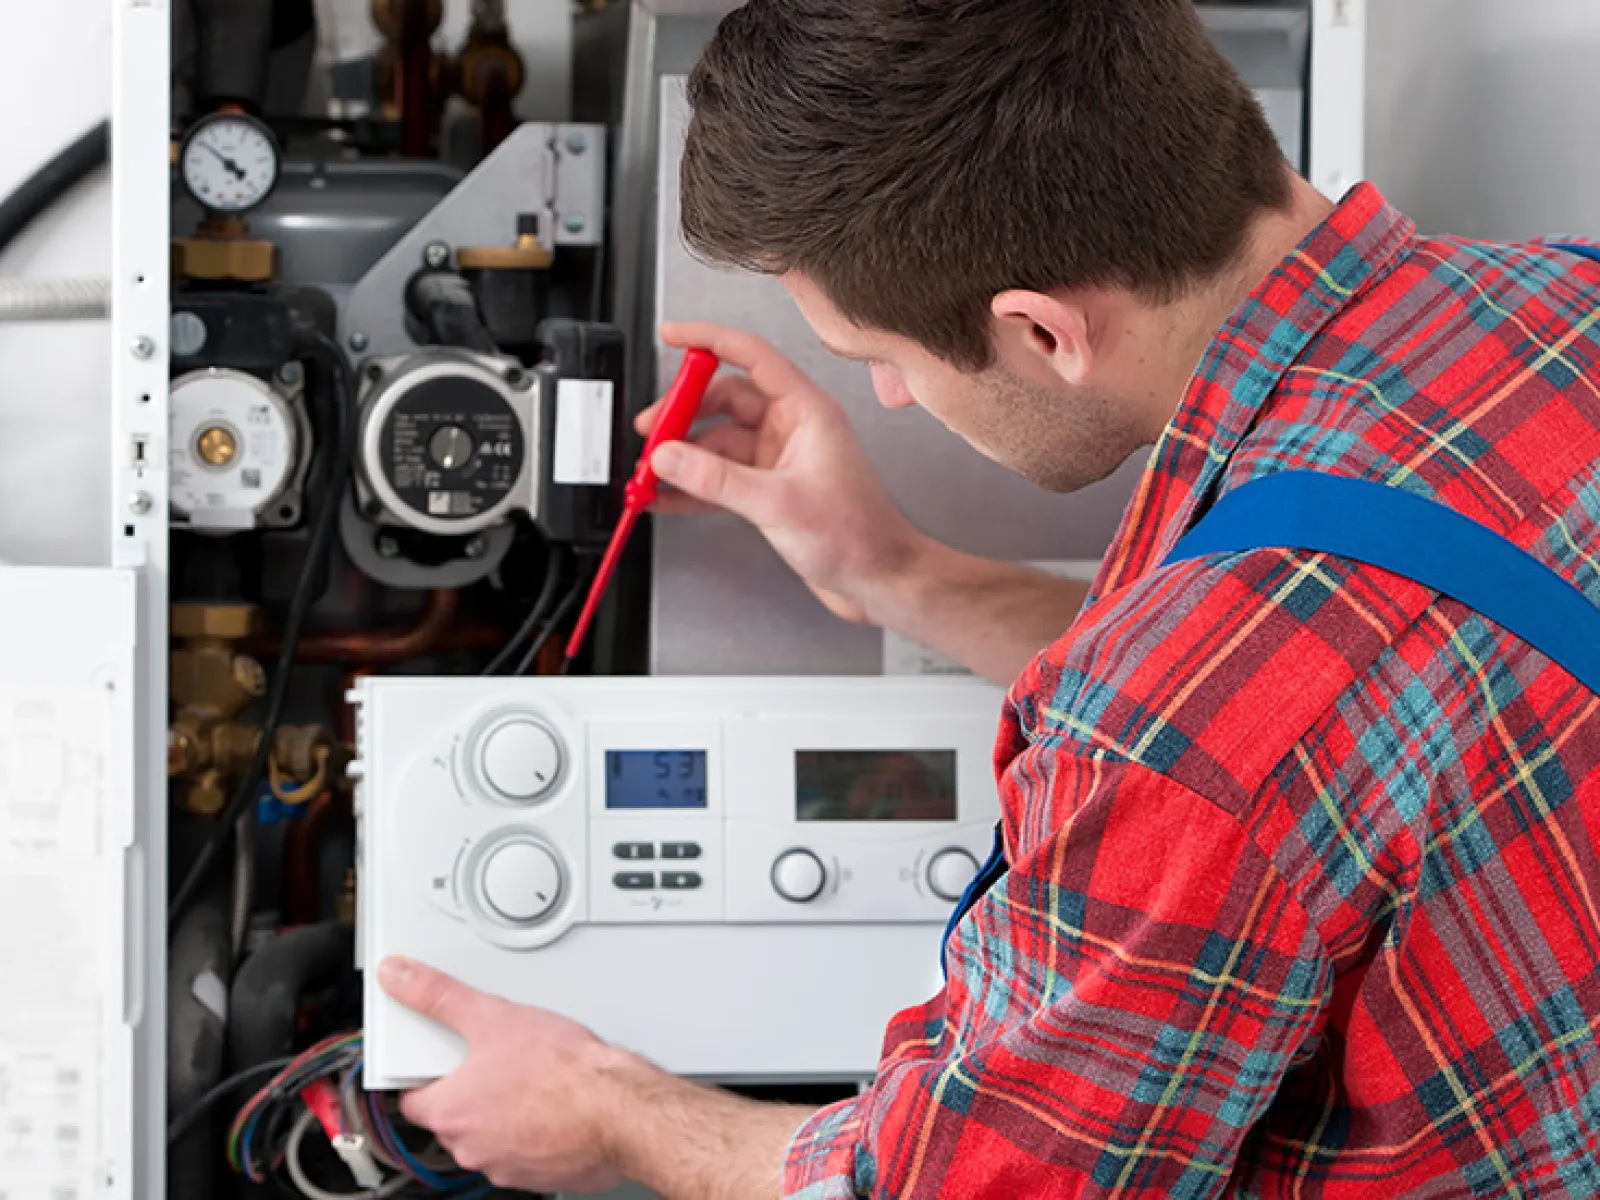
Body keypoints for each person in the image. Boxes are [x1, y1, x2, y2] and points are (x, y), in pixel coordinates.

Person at [376, 0, 1600, 1195]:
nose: (893, 402)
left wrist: (603, 1113)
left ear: (1041, 334)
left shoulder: (1178, 737)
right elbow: (1337, 700)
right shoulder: (1562, 301)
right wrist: (894, 572)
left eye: (881, 364)